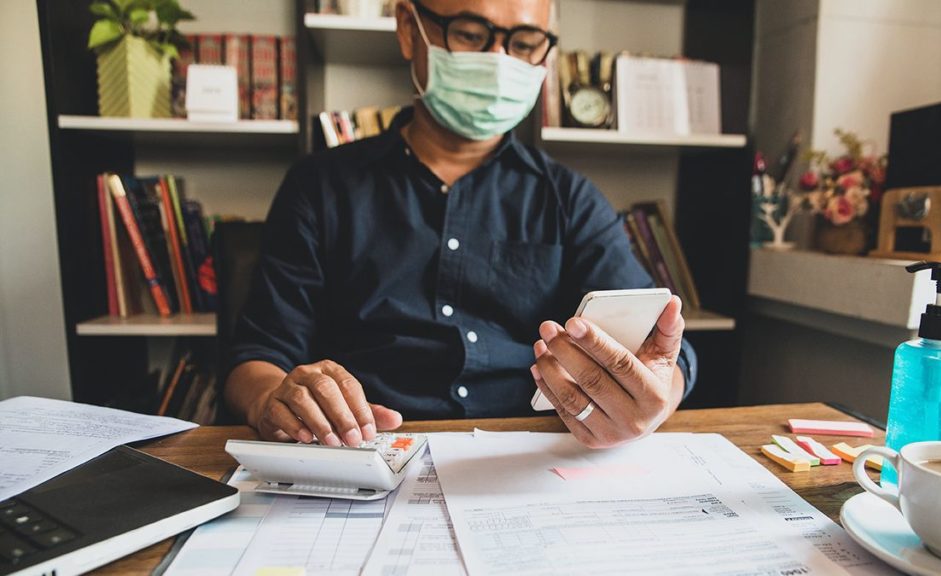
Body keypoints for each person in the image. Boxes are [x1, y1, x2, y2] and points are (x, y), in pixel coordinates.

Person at [224, 0, 697, 449]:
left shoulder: (569, 198)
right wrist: (273, 399)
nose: (498, 61)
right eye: (471, 34)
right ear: (409, 29)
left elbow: (663, 351)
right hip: (364, 451)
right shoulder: (319, 186)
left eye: (525, 43)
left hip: (523, 460)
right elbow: (257, 357)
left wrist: (655, 396)